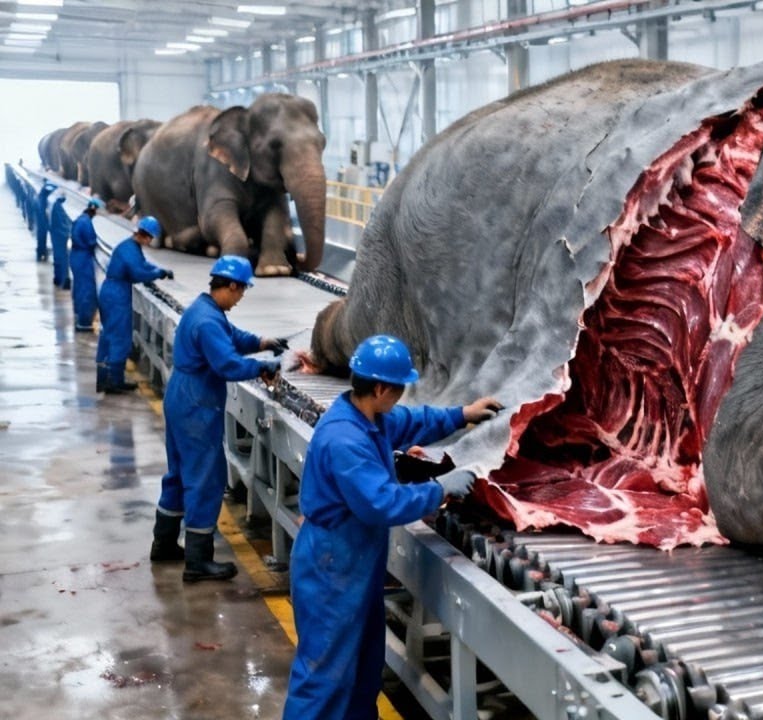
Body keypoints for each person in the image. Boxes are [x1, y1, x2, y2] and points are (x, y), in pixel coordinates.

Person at [283, 335, 502, 719]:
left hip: (357, 565)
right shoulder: (345, 439)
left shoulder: (372, 419)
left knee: (364, 665)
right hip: (331, 569)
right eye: (399, 389)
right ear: (382, 388)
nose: (401, 397)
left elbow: (415, 420)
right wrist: (438, 490)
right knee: (325, 675)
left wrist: (463, 414)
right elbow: (382, 503)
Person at [150, 255, 289, 582]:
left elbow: (232, 337)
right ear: (230, 285)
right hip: (196, 403)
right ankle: (198, 561)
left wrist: (262, 343)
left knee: (179, 473)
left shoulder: (205, 309)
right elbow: (227, 364)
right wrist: (263, 366)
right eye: (241, 291)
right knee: (205, 477)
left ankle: (164, 544)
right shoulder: (209, 321)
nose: (241, 298)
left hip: (181, 397)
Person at [95, 215, 173, 394]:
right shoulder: (130, 249)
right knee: (119, 336)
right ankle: (114, 381)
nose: (149, 242)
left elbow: (143, 264)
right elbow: (138, 272)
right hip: (117, 294)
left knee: (109, 334)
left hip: (113, 290)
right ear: (144, 235)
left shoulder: (131, 247)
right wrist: (158, 274)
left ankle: (104, 377)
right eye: (150, 238)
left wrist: (158, 269)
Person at [70, 198, 103, 330]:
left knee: (79, 288)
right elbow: (91, 241)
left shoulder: (80, 219)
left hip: (76, 257)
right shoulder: (86, 222)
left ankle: (79, 316)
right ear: (93, 209)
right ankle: (84, 323)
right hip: (83, 258)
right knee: (86, 290)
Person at [48, 192, 72, 291]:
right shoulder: (62, 207)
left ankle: (59, 279)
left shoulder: (56, 205)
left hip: (57, 235)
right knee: (63, 257)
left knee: (59, 257)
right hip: (61, 235)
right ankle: (64, 279)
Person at [32, 181, 54, 262]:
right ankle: (41, 252)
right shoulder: (50, 187)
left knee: (41, 233)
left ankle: (41, 252)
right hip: (42, 212)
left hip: (42, 211)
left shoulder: (45, 190)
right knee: (42, 232)